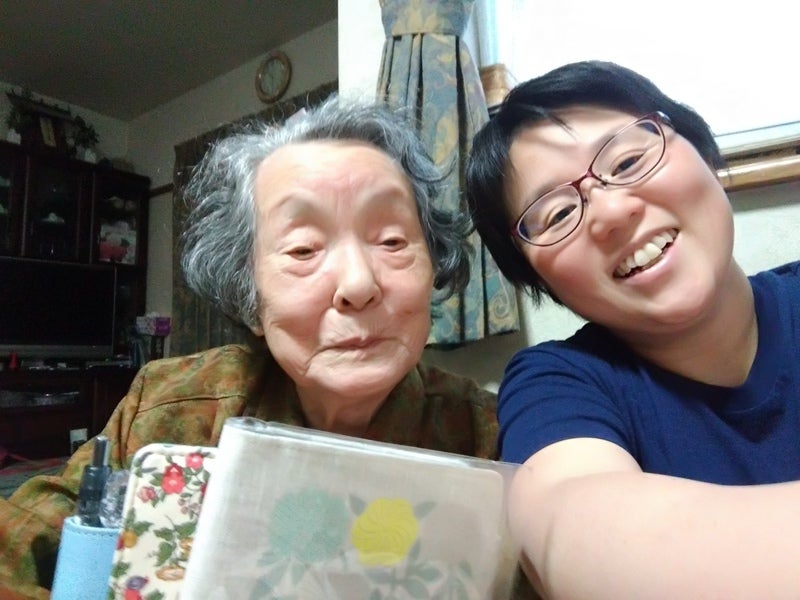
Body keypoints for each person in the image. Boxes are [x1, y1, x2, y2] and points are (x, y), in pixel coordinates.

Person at [0, 98, 537, 599]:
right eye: (303, 249)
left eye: (392, 241)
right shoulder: (170, 405)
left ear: (432, 266)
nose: (358, 283)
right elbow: (26, 538)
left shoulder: (492, 435)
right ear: (250, 297)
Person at [466, 60, 800, 599]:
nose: (611, 213)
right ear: (540, 280)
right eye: (557, 215)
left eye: (627, 161)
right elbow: (577, 541)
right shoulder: (557, 384)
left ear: (700, 151)